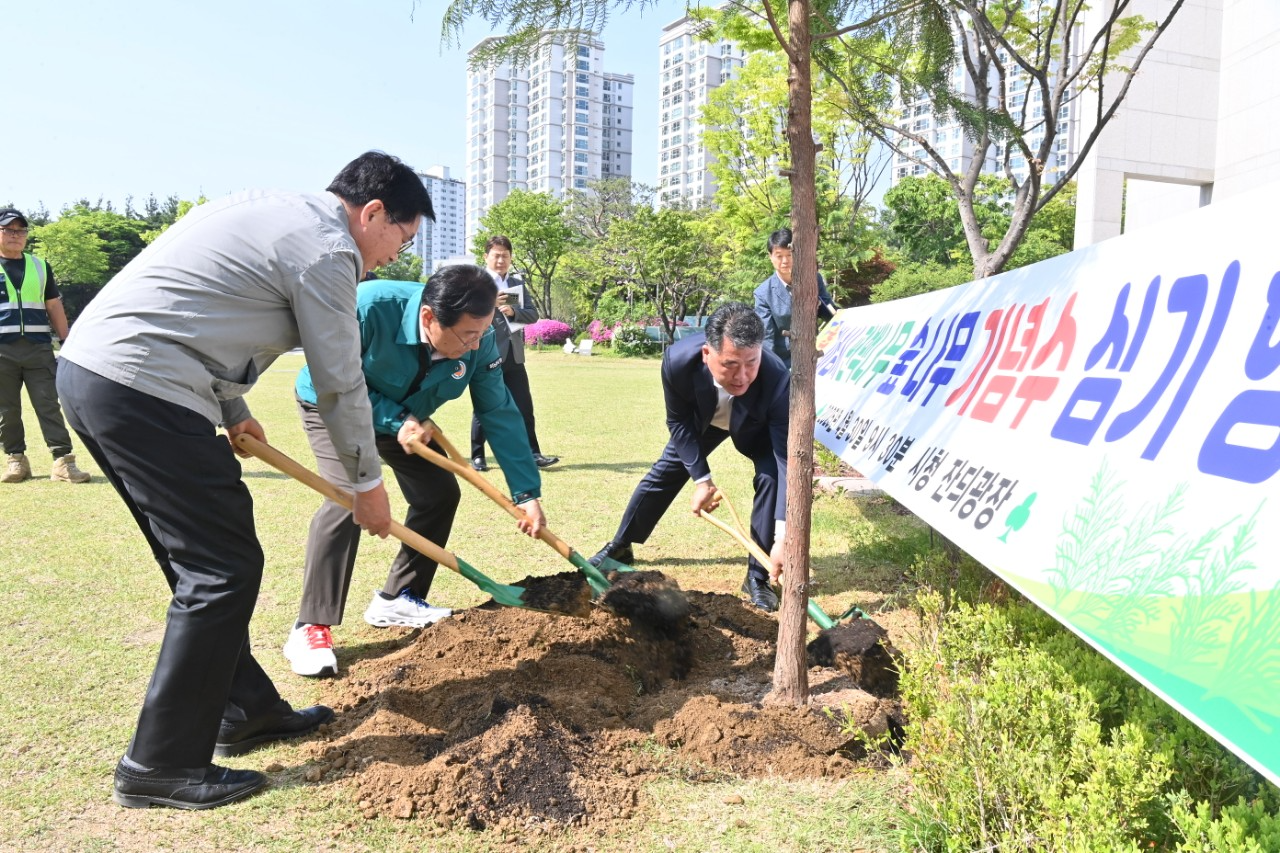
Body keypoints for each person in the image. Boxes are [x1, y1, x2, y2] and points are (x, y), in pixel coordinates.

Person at [55, 151, 432, 810]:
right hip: (142, 386)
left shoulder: (271, 209)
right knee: (221, 567)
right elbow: (340, 375)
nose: (395, 256)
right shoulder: (327, 250)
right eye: (400, 237)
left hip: (97, 374)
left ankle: (246, 708)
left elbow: (202, 306)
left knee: (202, 563)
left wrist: (231, 407)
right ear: (371, 213)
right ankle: (159, 764)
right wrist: (367, 483)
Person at [284, 266, 548, 678]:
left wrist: (526, 494)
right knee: (347, 495)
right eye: (466, 335)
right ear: (428, 318)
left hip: (407, 421)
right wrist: (395, 418)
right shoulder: (369, 307)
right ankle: (311, 626)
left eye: (482, 334)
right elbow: (331, 380)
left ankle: (399, 597)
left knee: (438, 495)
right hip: (334, 406)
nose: (476, 344)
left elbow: (498, 410)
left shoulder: (481, 338)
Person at [590, 302, 789, 612]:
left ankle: (757, 577)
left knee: (771, 478)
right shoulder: (677, 361)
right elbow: (679, 422)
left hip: (755, 426)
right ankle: (620, 547)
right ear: (707, 354)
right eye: (731, 364)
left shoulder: (776, 377)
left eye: (751, 362)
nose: (743, 375)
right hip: (703, 420)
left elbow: (784, 458)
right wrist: (702, 479)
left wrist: (783, 536)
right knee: (666, 471)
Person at [0, 208, 91, 484]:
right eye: (9, 230)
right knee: (6, 408)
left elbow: (53, 304)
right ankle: (16, 460)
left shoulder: (40, 266)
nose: (16, 235)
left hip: (39, 347)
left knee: (48, 404)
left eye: (21, 231)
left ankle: (63, 462)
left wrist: (67, 341)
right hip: (2, 350)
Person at [469, 235, 559, 471]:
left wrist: (512, 312)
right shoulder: (476, 282)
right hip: (486, 353)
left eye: (505, 256)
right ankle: (478, 455)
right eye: (496, 255)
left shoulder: (517, 284)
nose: (501, 260)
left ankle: (534, 453)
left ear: (510, 258)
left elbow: (533, 314)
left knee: (524, 406)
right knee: (484, 405)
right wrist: (491, 304)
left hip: (514, 355)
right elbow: (466, 313)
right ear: (486, 256)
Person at [753, 227, 838, 370]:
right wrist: (772, 371)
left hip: (816, 356)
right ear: (770, 256)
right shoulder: (763, 294)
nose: (785, 261)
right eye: (779, 256)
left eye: (790, 254)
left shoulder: (813, 279)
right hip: (784, 363)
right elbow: (767, 339)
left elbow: (830, 312)